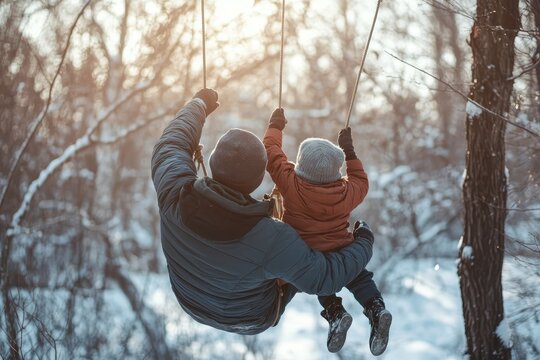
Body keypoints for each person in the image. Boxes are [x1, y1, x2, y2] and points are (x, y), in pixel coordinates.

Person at [151, 88, 376, 339]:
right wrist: (364, 242)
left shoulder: (173, 192)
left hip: (190, 301)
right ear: (257, 180)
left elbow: (171, 143)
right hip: (253, 317)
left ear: (213, 163)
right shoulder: (273, 237)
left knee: (291, 257)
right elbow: (324, 278)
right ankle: (344, 309)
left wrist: (198, 104)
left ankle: (334, 311)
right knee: (303, 257)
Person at [262, 108, 392, 355]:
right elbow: (361, 181)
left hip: (304, 254)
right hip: (341, 247)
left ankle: (335, 312)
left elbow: (270, 153)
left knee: (322, 279)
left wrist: (275, 125)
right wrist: (349, 151)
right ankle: (375, 308)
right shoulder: (346, 192)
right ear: (336, 172)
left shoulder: (290, 184)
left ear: (300, 165)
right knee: (357, 274)